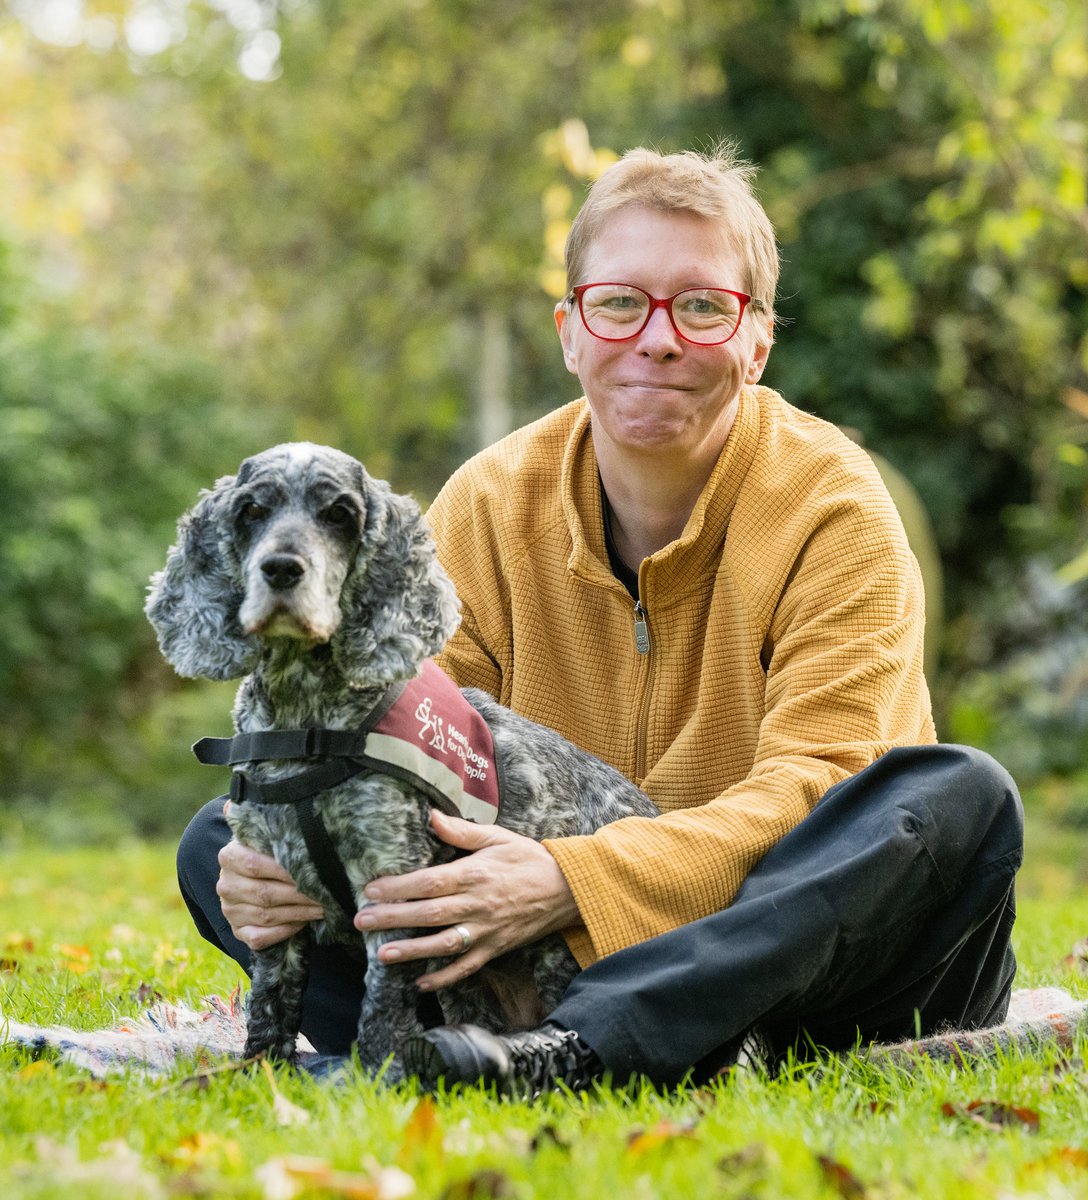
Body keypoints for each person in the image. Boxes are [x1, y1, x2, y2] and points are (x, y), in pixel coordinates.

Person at [177, 146, 1023, 1095]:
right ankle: (516, 1049)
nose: (656, 339)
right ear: (571, 331)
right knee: (230, 832)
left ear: (757, 341)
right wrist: (279, 874)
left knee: (957, 797)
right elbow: (395, 749)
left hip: (810, 970)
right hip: (530, 968)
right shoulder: (490, 503)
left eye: (702, 307)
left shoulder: (836, 511)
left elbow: (815, 788)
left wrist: (573, 880)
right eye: (620, 302)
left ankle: (588, 1053)